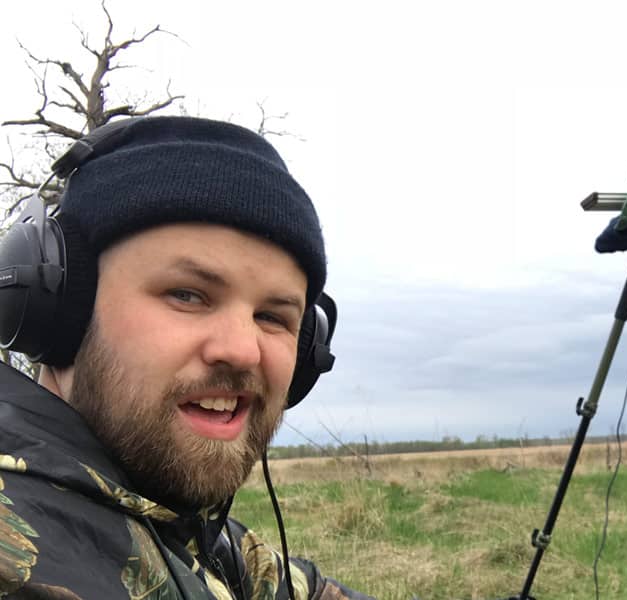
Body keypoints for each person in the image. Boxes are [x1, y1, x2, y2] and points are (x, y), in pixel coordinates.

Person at [0, 116, 374, 599]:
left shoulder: (189, 533)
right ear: (62, 311)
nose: (241, 350)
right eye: (187, 295)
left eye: (272, 316)